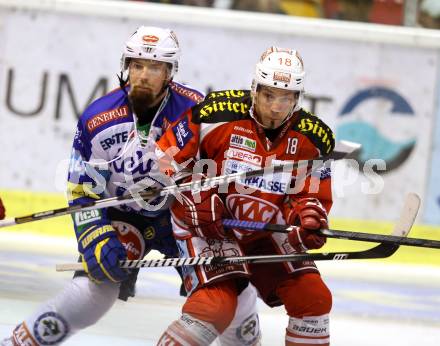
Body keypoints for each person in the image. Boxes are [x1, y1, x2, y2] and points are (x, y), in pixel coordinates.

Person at [1, 26, 260, 346]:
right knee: (91, 293)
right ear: (126, 66)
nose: (144, 75)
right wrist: (94, 234)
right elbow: (83, 187)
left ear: (170, 72)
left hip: (185, 218)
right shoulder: (98, 118)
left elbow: (222, 170)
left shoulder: (198, 111)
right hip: (123, 217)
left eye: (154, 67)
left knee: (236, 296)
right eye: (137, 65)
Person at [155, 46, 334, 345]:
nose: (277, 107)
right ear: (254, 89)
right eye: (269, 95)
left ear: (298, 97)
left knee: (313, 299)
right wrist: (194, 193)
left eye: (286, 97)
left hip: (263, 231)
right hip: (207, 226)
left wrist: (307, 218)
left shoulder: (314, 138)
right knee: (215, 307)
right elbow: (164, 156)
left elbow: (310, 196)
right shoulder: (215, 114)